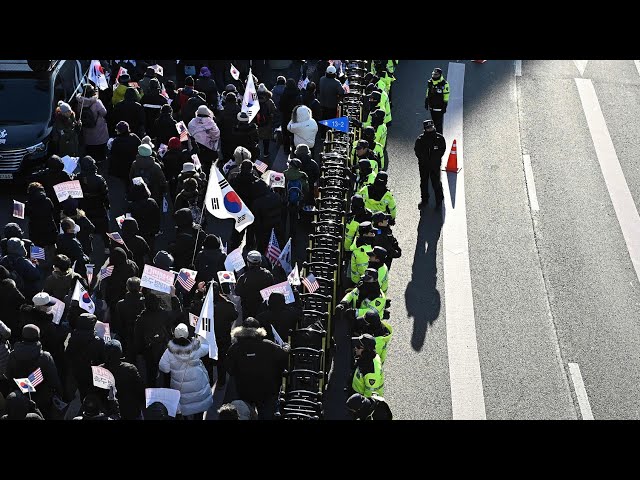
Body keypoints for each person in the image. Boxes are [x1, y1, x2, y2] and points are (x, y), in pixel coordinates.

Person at [225, 317, 289, 420]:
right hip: (266, 389)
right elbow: (283, 355)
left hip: (244, 389)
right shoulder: (268, 345)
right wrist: (286, 347)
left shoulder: (234, 348)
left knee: (246, 414)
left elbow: (229, 368)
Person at [158, 323, 213, 420]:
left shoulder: (169, 351)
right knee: (199, 406)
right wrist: (201, 336)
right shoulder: (196, 347)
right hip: (198, 383)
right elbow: (206, 348)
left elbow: (164, 368)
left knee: (184, 407)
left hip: (180, 386)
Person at [6, 324, 63, 418]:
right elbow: (54, 380)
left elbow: (9, 375)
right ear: (38, 337)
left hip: (19, 399)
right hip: (41, 400)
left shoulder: (12, 354)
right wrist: (60, 393)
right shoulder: (45, 357)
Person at [64, 313, 105, 401]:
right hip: (93, 371)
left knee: (83, 391)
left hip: (77, 371)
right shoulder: (98, 341)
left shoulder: (72, 337)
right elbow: (102, 357)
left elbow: (68, 353)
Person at [101, 339, 145, 420]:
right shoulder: (130, 369)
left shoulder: (100, 371)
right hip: (131, 411)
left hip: (110, 413)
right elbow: (141, 391)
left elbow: (97, 393)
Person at [77, 156, 110, 250]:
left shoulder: (77, 177)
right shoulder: (99, 179)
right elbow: (105, 194)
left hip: (84, 207)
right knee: (104, 228)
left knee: (86, 227)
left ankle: (88, 248)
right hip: (98, 206)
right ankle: (107, 246)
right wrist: (107, 205)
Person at [414, 119, 446, 210]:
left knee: (436, 183)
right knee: (424, 183)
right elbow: (417, 151)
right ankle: (424, 200)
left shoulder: (439, 138)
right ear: (425, 129)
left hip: (435, 165)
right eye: (428, 128)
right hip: (423, 165)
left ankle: (439, 201)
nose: (430, 129)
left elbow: (442, 149)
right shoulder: (420, 139)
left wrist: (436, 158)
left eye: (431, 127)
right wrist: (423, 159)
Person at [234, 251, 274, 320]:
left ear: (248, 263)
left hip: (247, 311)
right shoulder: (268, 275)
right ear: (260, 262)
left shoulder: (244, 278)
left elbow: (237, 292)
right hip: (263, 309)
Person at [112, 277, 145, 362]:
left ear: (127, 287)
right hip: (142, 339)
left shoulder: (120, 304)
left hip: (126, 338)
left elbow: (118, 323)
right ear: (140, 288)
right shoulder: (145, 303)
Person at [75, 84, 110, 164]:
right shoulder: (97, 102)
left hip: (86, 126)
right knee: (99, 143)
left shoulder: (80, 102)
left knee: (89, 143)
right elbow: (104, 113)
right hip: (98, 126)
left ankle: (90, 158)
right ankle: (100, 159)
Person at [24, 182, 59, 253]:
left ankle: (37, 263)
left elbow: (26, 214)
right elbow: (52, 210)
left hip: (35, 230)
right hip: (49, 228)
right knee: (52, 250)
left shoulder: (28, 203)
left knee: (37, 252)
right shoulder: (47, 200)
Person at [127, 180, 161, 250]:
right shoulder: (152, 202)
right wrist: (156, 229)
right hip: (150, 231)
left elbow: (128, 220)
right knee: (150, 248)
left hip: (138, 231)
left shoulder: (131, 206)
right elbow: (157, 217)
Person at [350, 333, 384, 398]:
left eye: (358, 347)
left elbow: (369, 396)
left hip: (359, 399)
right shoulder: (368, 357)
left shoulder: (371, 372)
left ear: (366, 351)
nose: (355, 348)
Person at [188, 105, 220, 172]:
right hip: (209, 149)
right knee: (209, 166)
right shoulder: (211, 123)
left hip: (196, 147)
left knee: (198, 166)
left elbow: (190, 133)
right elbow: (216, 134)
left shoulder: (192, 122)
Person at [278, 78, 302, 155]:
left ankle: (286, 149)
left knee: (285, 134)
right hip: (296, 116)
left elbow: (280, 107)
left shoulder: (284, 94)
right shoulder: (298, 93)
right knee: (295, 133)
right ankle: (295, 149)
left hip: (285, 116)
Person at [424, 67, 450, 134]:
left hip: (439, 107)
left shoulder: (444, 84)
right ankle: (433, 135)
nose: (434, 76)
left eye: (436, 75)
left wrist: (445, 105)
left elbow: (446, 95)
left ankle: (439, 137)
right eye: (433, 74)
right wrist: (426, 100)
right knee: (433, 123)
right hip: (431, 106)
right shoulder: (430, 82)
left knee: (438, 124)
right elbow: (428, 91)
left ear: (440, 75)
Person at [255, 84, 277, 161]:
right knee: (266, 139)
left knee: (256, 139)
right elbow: (274, 110)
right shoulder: (269, 101)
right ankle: (265, 153)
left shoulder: (254, 100)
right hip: (267, 123)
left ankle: (257, 153)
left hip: (256, 124)